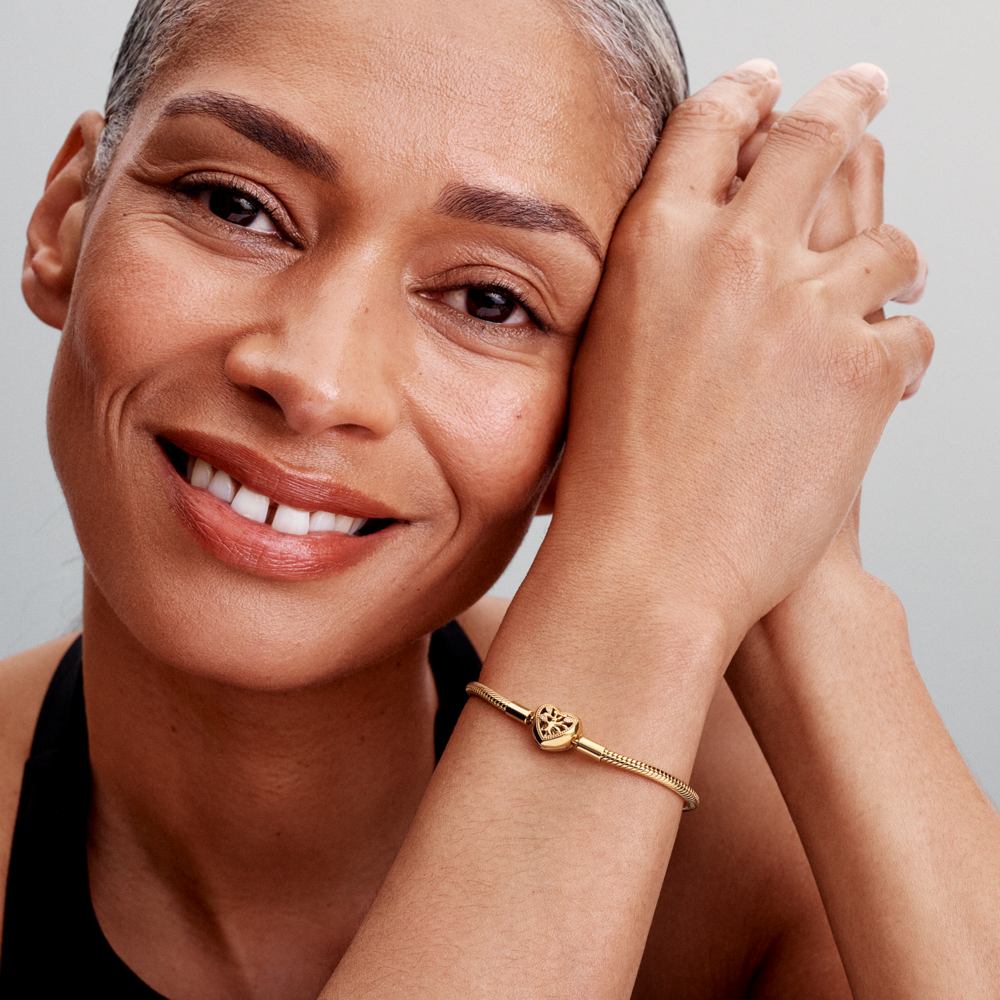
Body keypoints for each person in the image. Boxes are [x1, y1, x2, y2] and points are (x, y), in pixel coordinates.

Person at [0, 0, 997, 996]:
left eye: (490, 300)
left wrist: (792, 560)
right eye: (234, 206)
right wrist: (651, 590)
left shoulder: (748, 844)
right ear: (64, 223)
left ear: (605, 411)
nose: (317, 379)